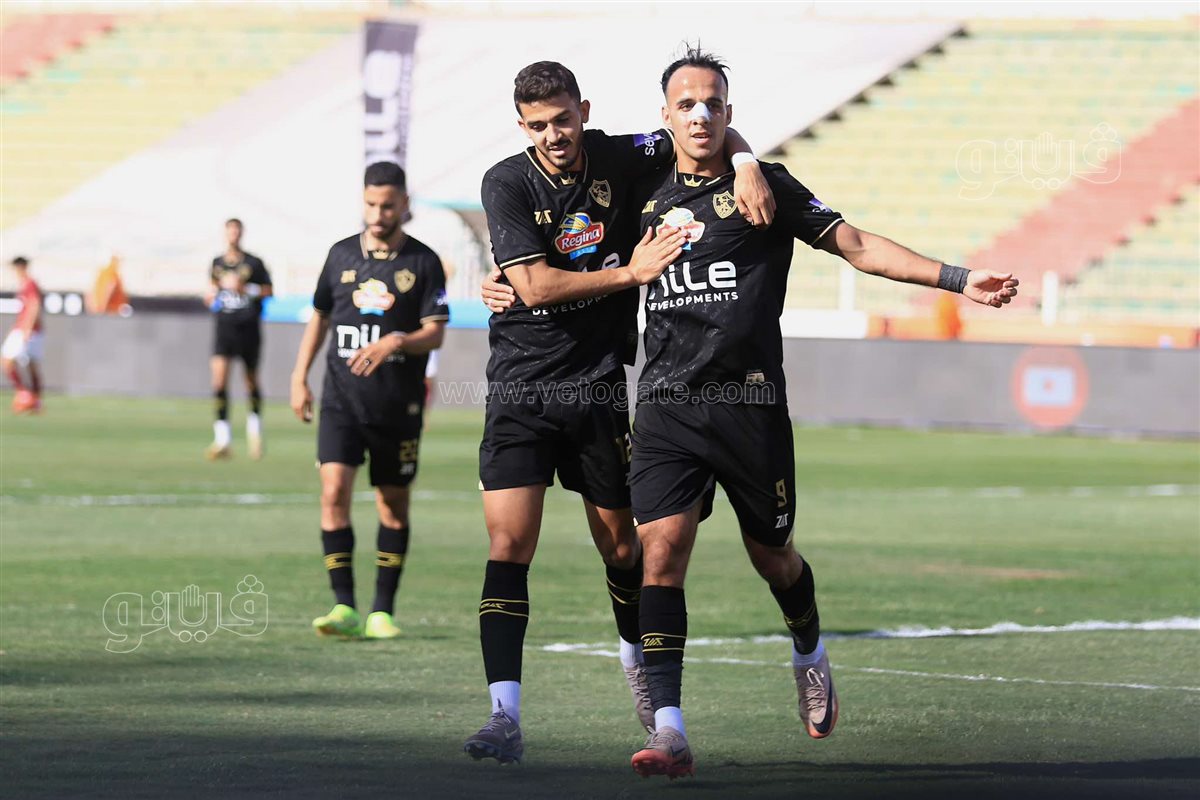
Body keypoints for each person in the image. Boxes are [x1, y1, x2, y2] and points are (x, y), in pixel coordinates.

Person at [621, 49, 1019, 779]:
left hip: (749, 407)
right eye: (687, 104)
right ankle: (670, 729)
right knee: (661, 552)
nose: (701, 115)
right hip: (668, 404)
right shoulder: (640, 187)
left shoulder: (765, 187)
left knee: (772, 557)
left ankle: (808, 649)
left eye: (714, 103)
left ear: (730, 113)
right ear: (665, 116)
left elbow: (857, 246)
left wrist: (958, 278)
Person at [464, 60, 775, 766]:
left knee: (624, 550)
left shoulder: (623, 154)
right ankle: (503, 714)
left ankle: (637, 663)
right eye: (537, 126)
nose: (553, 135)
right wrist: (631, 273)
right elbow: (534, 287)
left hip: (599, 386)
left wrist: (748, 163)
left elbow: (701, 129)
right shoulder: (506, 182)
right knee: (508, 546)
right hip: (520, 388)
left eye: (562, 120)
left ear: (583, 110)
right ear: (522, 127)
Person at [290, 162, 449, 641]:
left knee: (392, 502)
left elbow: (435, 333)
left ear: (404, 204)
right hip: (341, 400)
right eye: (371, 204)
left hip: (397, 405)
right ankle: (343, 606)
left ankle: (382, 611)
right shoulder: (340, 255)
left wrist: (397, 341)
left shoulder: (423, 261)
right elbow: (320, 316)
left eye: (388, 205)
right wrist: (299, 377)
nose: (379, 214)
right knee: (333, 492)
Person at [205, 218, 273, 460]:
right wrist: (211, 295)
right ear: (225, 234)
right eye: (230, 231)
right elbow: (213, 290)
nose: (233, 235)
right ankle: (222, 439)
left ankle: (255, 432)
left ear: (241, 233)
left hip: (248, 328)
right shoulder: (217, 263)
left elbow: (269, 291)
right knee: (219, 382)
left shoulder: (254, 263)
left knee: (250, 381)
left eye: (236, 230)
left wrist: (246, 289)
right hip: (224, 327)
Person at [3, 256, 44, 414]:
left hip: (27, 330)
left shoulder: (30, 284)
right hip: (22, 328)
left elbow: (34, 305)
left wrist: (27, 328)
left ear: (21, 267)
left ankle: (28, 396)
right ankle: (27, 396)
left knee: (11, 361)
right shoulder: (24, 285)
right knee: (22, 363)